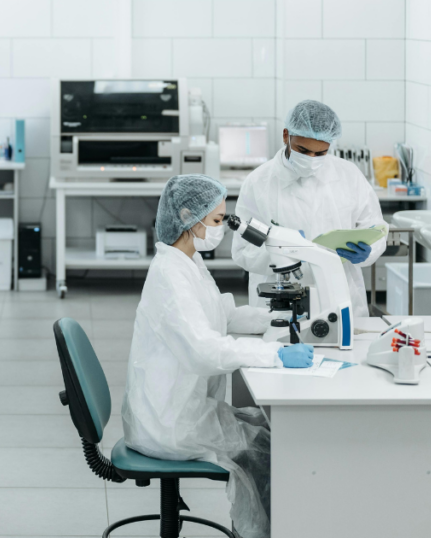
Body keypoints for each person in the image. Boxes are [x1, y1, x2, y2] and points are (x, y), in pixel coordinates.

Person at [122, 174, 315, 538]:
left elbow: (220, 315)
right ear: (187, 218)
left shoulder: (187, 261)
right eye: (215, 221)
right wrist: (274, 354)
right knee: (268, 450)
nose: (221, 229)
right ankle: (258, 533)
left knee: (269, 426)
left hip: (182, 408)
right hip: (169, 423)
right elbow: (203, 350)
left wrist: (274, 317)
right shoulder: (170, 275)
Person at [232, 100, 387, 318]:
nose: (311, 160)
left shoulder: (348, 175)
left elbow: (374, 225)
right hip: (279, 303)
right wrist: (283, 253)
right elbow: (243, 249)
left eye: (320, 153)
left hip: (340, 296)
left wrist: (369, 251)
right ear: (286, 135)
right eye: (303, 150)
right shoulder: (259, 182)